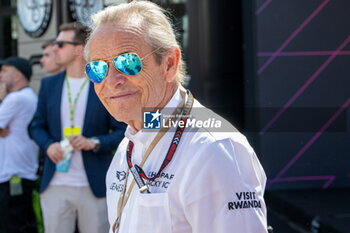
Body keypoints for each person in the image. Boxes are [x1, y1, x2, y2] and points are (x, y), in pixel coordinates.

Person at [84, 1, 268, 233]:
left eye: (128, 62)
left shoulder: (215, 149)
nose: (111, 81)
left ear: (169, 64)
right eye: (97, 68)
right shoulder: (130, 143)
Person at [30, 22, 126, 233]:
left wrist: (95, 143)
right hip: (55, 183)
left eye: (60, 44)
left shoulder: (102, 83)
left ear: (78, 50)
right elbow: (36, 125)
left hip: (93, 185)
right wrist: (48, 146)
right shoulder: (49, 84)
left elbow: (122, 130)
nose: (54, 48)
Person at [0, 56, 38, 233]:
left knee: (13, 226)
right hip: (19, 173)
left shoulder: (15, 99)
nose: (0, 75)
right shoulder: (26, 96)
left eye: (4, 71)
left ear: (17, 75)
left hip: (13, 175)